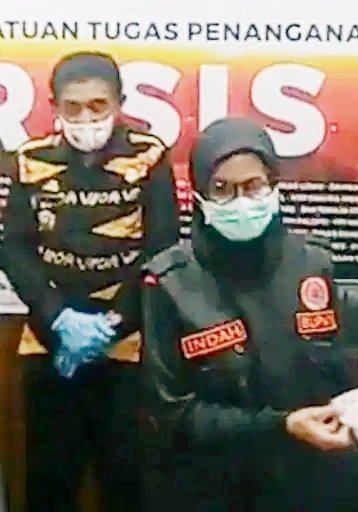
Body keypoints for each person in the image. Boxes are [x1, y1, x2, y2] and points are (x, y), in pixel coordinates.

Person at [141, 117, 358, 512]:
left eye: (254, 186)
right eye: (222, 189)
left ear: (274, 186)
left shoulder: (309, 263)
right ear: (199, 196)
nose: (242, 201)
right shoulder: (170, 282)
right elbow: (172, 414)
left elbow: (320, 359)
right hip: (213, 482)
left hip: (306, 474)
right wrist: (280, 425)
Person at [2, 51, 179, 512]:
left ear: (119, 103)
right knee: (48, 484)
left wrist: (113, 325)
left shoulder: (150, 156)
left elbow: (162, 248)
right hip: (50, 341)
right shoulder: (31, 159)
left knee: (125, 483)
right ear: (54, 106)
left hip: (129, 343)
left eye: (98, 105)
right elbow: (14, 246)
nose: (86, 117)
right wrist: (57, 318)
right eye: (73, 106)